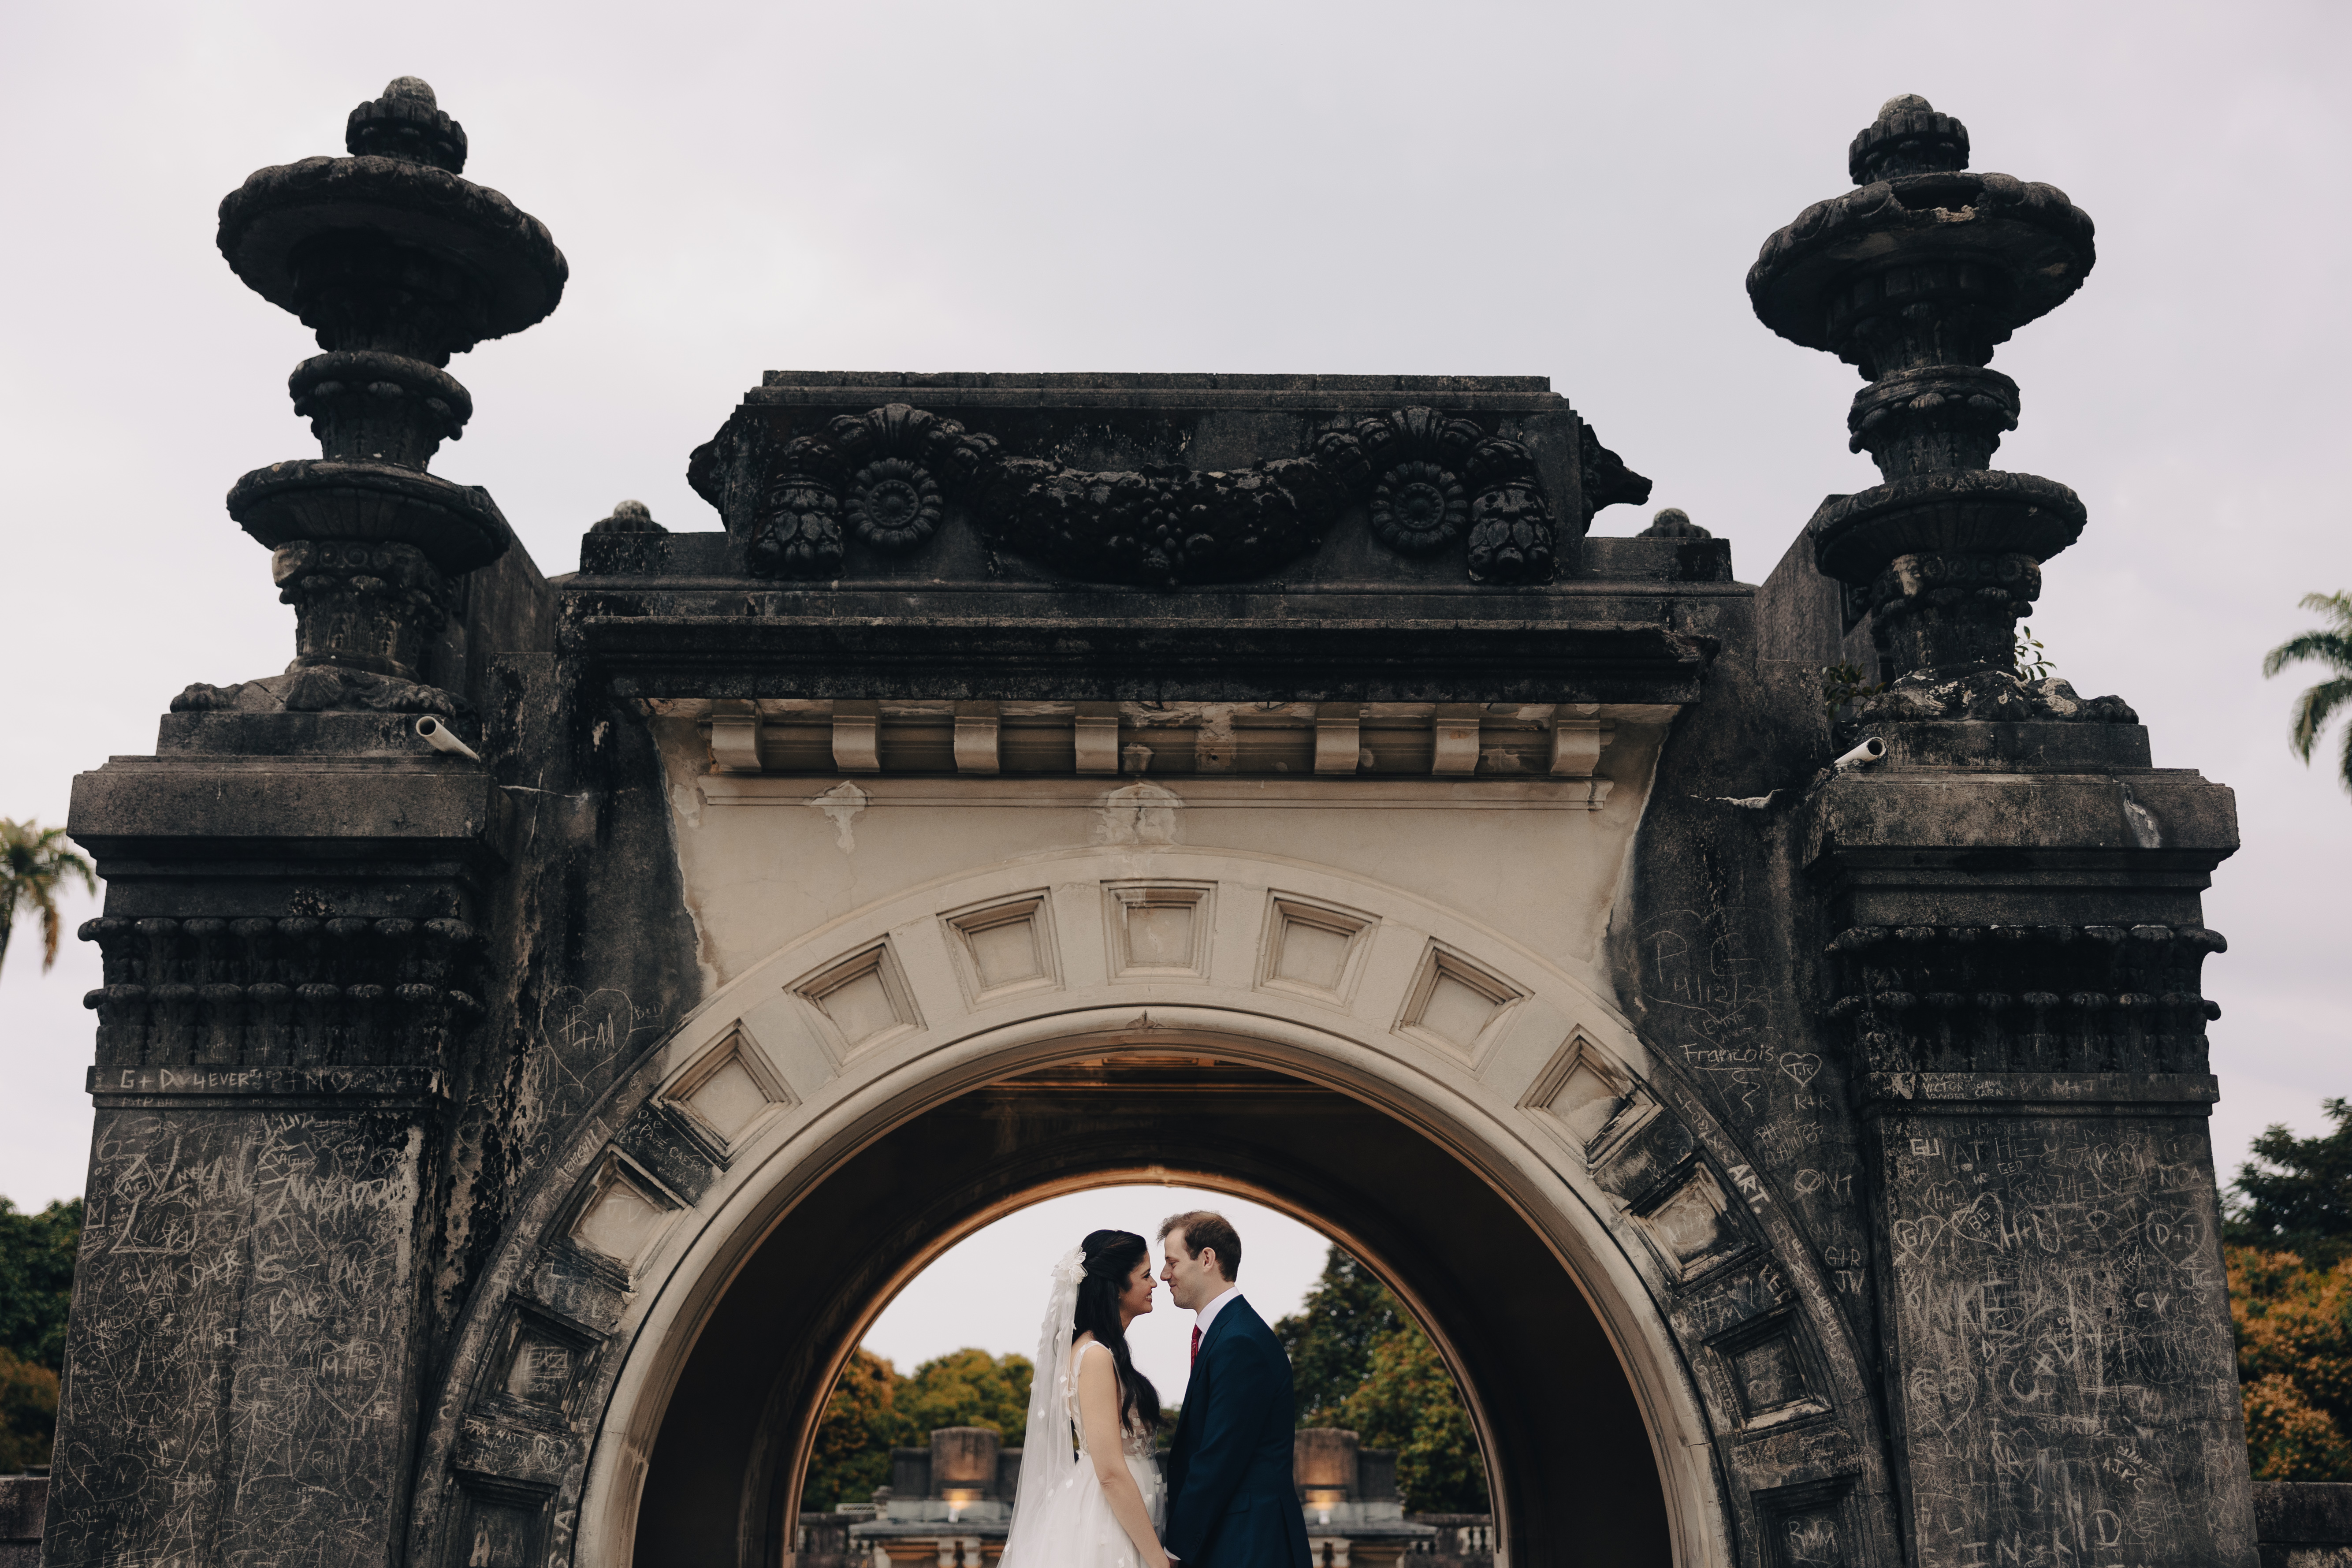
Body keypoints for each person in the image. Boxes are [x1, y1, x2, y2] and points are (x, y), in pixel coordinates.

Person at [1001, 1229, 1169, 1568]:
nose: (1156, 1283)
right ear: (1116, 1287)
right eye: (1146, 1274)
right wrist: (1157, 1560)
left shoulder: (1105, 1352)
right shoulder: (1094, 1356)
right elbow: (1109, 1470)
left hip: (1125, 1514)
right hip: (1108, 1519)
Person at [1157, 1211, 1311, 1568]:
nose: (1165, 1275)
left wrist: (1175, 1549)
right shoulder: (1227, 1333)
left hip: (1248, 1545)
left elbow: (1218, 1457)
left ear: (1207, 1259)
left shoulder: (1239, 1341)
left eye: (1172, 1262)